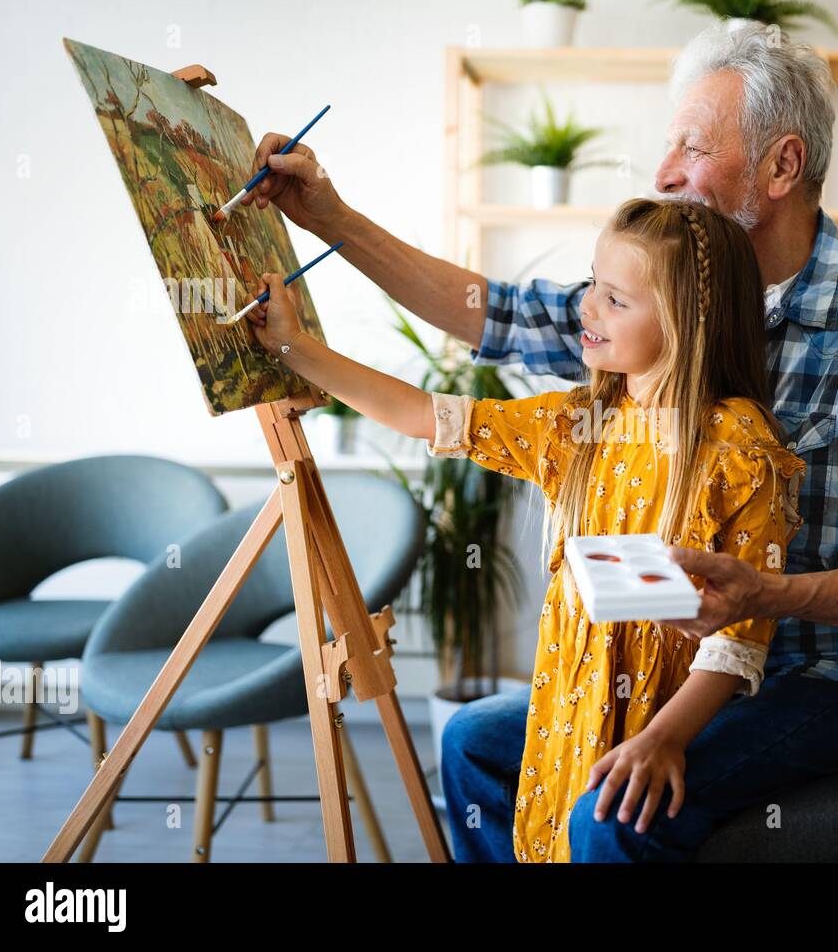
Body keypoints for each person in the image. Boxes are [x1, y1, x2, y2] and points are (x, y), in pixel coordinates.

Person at [246, 22, 838, 862]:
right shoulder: (646, 312)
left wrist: (767, 595)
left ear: (783, 166)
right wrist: (327, 217)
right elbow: (491, 315)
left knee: (610, 806)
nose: (665, 171)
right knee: (476, 743)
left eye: (693, 147)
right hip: (678, 666)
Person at [246, 197, 806, 862]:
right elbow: (428, 416)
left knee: (601, 817)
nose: (587, 308)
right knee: (476, 743)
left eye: (615, 300)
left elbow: (738, 645)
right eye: (592, 284)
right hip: (576, 696)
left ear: (689, 320)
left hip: (667, 712)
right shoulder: (580, 423)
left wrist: (664, 740)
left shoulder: (739, 446)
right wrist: (292, 346)